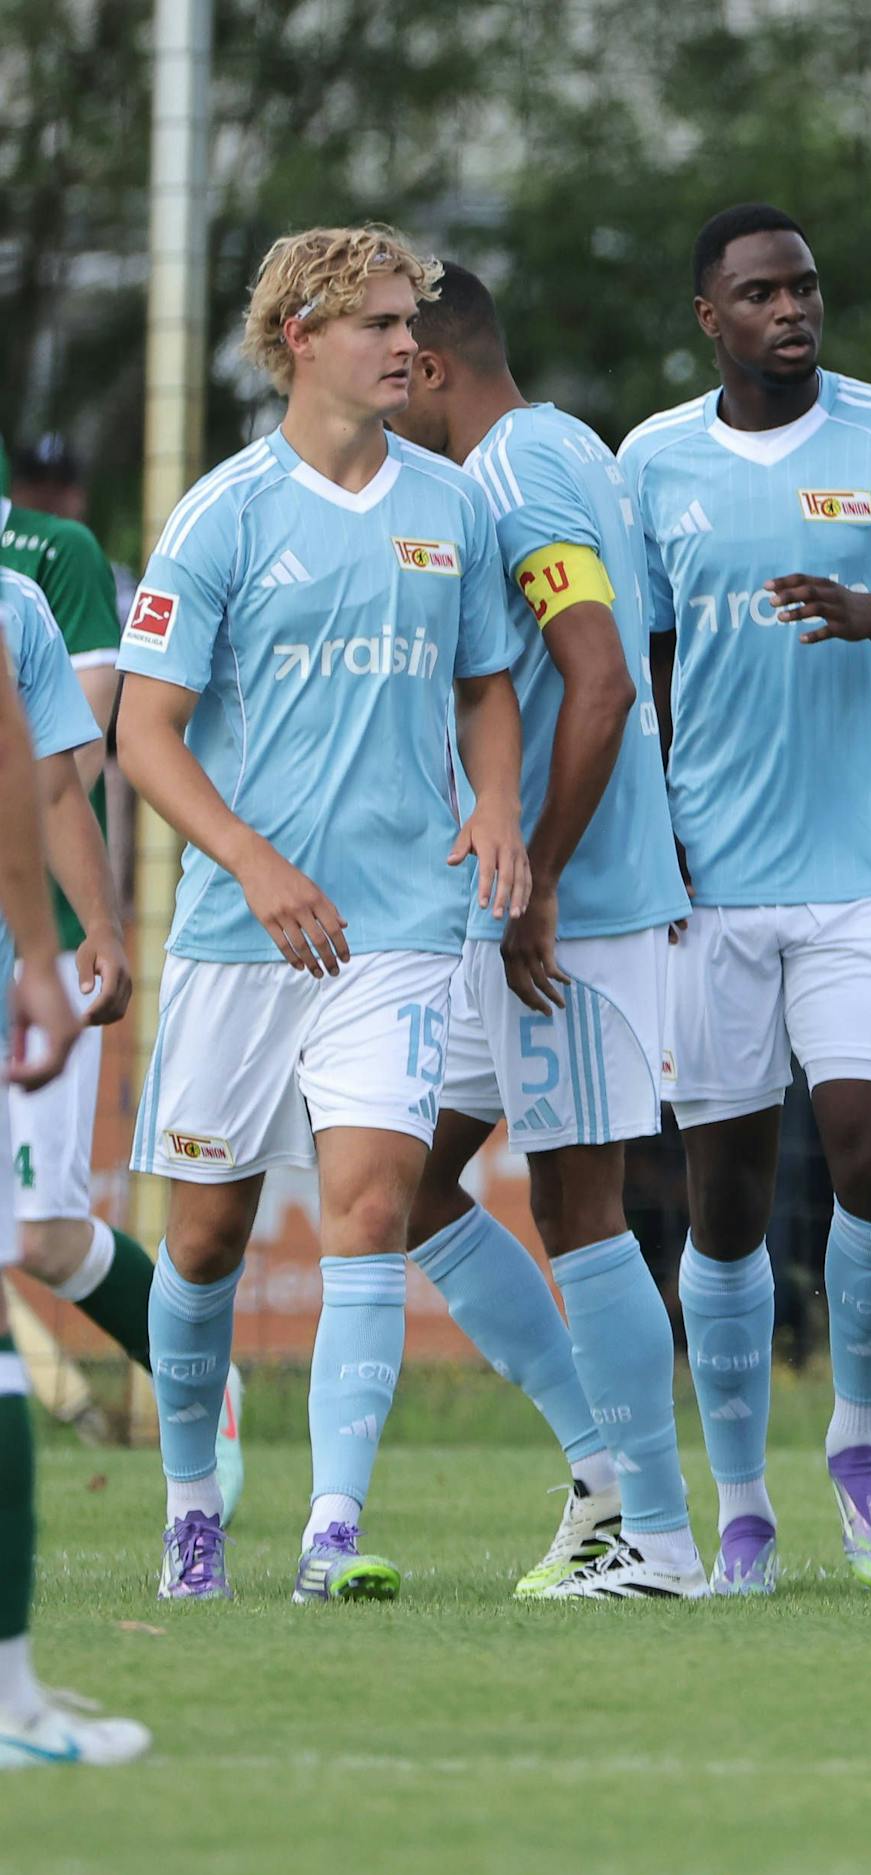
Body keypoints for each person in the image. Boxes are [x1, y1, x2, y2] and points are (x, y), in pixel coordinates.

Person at [115, 225, 529, 1605]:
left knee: (368, 1208)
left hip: (400, 925)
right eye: (378, 324)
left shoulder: (450, 505)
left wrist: (498, 804)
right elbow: (148, 732)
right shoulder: (223, 515)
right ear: (300, 335)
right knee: (204, 1242)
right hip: (245, 938)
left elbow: (486, 685)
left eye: (413, 322)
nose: (409, 344)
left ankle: (333, 1531)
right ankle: (191, 1514)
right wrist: (253, 863)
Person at [617, 203, 871, 1594]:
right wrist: (641, 857)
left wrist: (870, 611)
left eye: (807, 287)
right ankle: (739, 1506)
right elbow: (631, 675)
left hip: (863, 887)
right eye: (763, 293)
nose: (794, 310)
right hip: (709, 891)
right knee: (721, 1207)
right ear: (709, 317)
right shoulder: (651, 462)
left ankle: (856, 1434)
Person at [389, 262, 705, 1599]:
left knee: (581, 1206)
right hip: (524, 897)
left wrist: (545, 879)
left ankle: (666, 1542)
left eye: (390, 369)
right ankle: (600, 1473)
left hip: (565, 907)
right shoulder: (567, 442)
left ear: (436, 369)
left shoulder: (512, 476)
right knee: (406, 1182)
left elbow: (603, 676)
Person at [0, 433, 244, 1501]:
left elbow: (68, 768)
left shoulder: (38, 576)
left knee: (47, 1236)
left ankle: (200, 1382)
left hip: (27, 944)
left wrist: (93, 924)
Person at [0, 567, 148, 1766]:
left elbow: (50, 785)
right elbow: (21, 775)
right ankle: (9, 1701)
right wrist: (40, 959)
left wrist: (86, 929)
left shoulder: (21, 600)